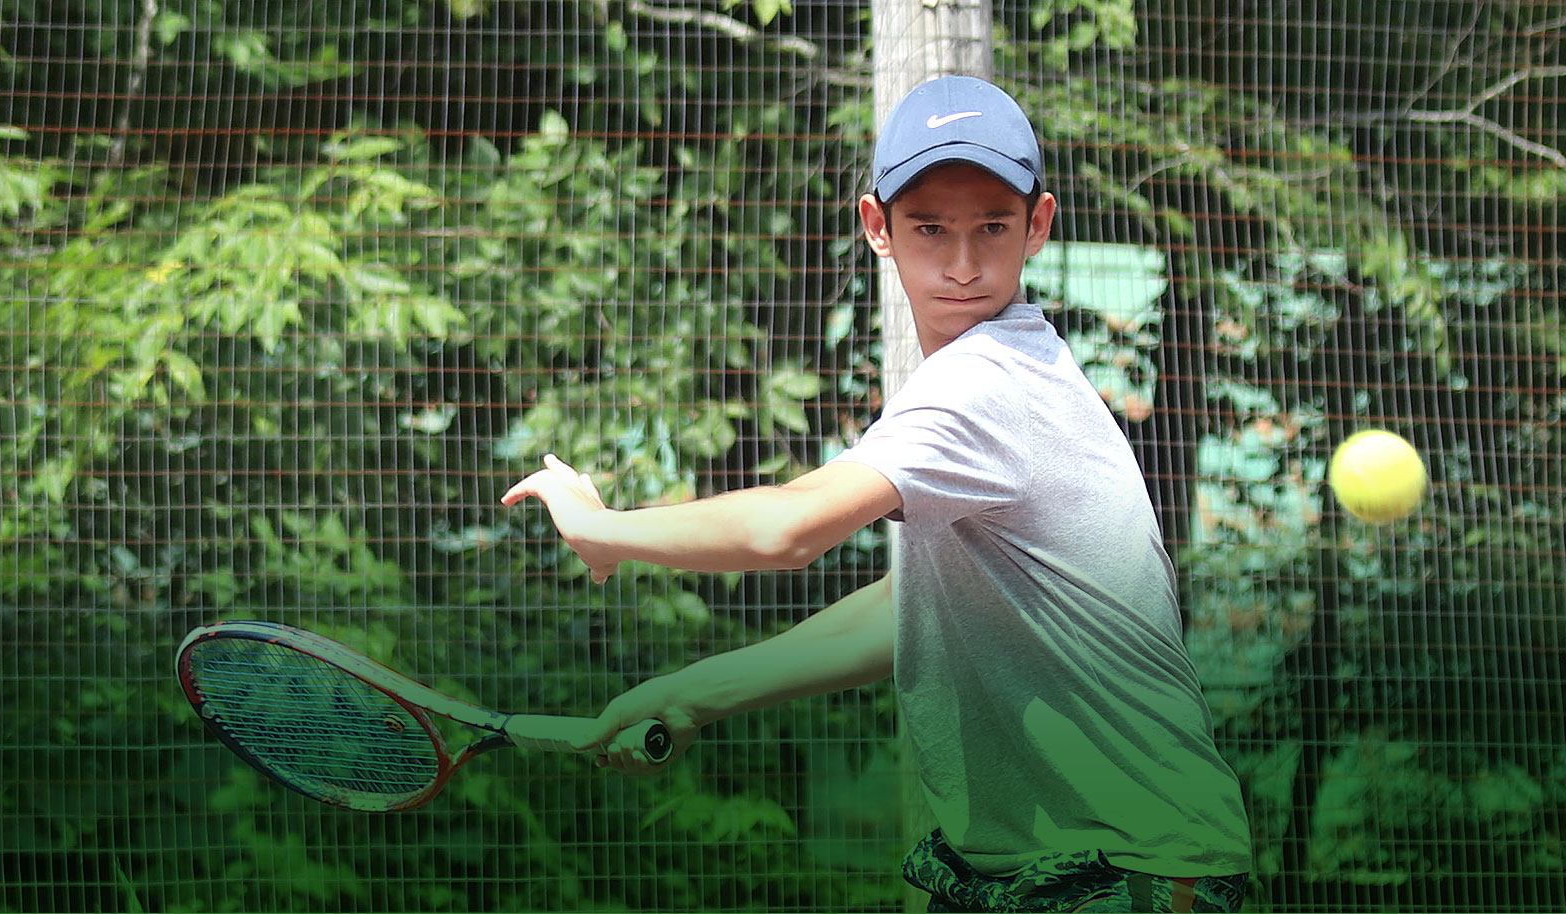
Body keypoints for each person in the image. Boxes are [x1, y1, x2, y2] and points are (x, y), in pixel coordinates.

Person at [501, 75, 1253, 913]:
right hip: (1038, 872)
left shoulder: (984, 384)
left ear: (1037, 226)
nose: (963, 265)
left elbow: (786, 529)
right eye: (931, 229)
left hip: (1132, 878)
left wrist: (605, 529)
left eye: (992, 229)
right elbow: (912, 610)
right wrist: (687, 694)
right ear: (879, 228)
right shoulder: (1021, 366)